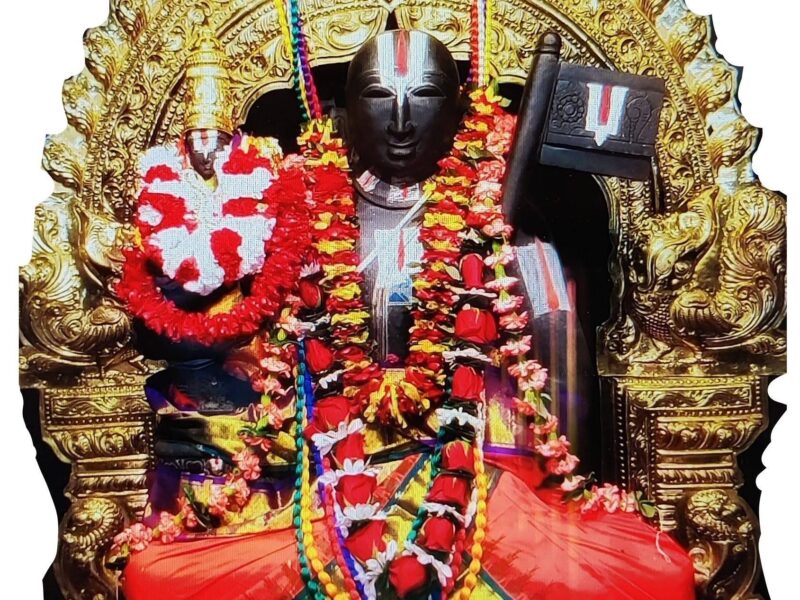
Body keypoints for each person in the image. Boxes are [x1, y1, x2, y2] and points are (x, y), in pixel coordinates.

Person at [115, 30, 696, 600]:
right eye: (377, 97)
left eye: (422, 97)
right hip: (325, 485)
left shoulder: (507, 236)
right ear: (342, 112)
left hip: (482, 482)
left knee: (657, 577)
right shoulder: (295, 220)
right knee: (155, 576)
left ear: (460, 112)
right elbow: (232, 352)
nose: (399, 120)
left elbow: (561, 407)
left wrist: (499, 465)